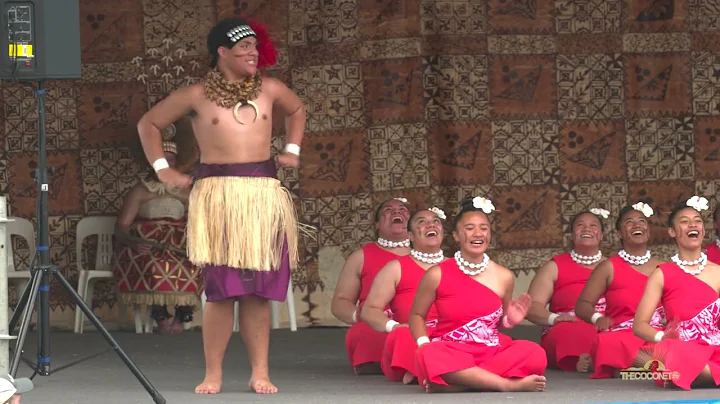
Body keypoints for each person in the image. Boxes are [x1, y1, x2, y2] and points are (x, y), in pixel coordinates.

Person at [137, 16, 307, 395]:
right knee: (221, 290)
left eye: (254, 47)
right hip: (218, 195)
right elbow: (149, 123)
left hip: (262, 194)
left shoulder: (271, 89)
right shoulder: (196, 95)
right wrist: (163, 170)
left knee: (258, 289)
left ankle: (259, 372)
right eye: (243, 47)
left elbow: (297, 111)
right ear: (222, 52)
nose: (252, 53)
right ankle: (213, 373)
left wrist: (291, 150)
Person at [410, 196, 547, 393]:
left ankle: (460, 381)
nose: (477, 233)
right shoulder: (436, 274)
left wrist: (509, 321)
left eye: (483, 228)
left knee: (534, 353)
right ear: (456, 236)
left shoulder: (504, 276)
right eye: (469, 228)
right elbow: (416, 315)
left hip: (490, 351)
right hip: (451, 349)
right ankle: (504, 384)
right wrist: (423, 345)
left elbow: (499, 322)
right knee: (430, 353)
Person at [114, 117, 201, 334]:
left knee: (194, 263)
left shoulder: (186, 191)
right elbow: (121, 227)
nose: (168, 165)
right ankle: (160, 317)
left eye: (171, 161)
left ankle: (181, 318)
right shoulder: (140, 191)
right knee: (154, 265)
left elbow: (200, 223)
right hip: (147, 247)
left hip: (178, 246)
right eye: (162, 161)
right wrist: (135, 243)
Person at [633, 196, 720, 390]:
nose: (692, 225)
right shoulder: (661, 274)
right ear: (672, 232)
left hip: (715, 347)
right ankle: (701, 374)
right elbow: (639, 325)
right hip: (681, 347)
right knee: (667, 351)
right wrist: (662, 337)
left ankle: (695, 375)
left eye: (697, 221)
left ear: (703, 230)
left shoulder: (718, 272)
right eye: (684, 222)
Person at [574, 203, 665, 379]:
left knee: (677, 342)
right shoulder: (608, 267)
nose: (637, 225)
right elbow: (582, 305)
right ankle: (657, 367)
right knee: (607, 342)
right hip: (622, 334)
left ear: (648, 230)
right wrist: (597, 318)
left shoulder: (664, 267)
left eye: (641, 221)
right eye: (629, 222)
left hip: (654, 332)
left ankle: (633, 369)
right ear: (619, 234)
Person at [360, 207, 447, 384]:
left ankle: (435, 371)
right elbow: (369, 310)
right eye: (422, 222)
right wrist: (394, 326)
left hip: (448, 334)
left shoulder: (456, 266)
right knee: (403, 336)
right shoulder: (395, 268)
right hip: (412, 335)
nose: (431, 224)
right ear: (410, 236)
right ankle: (444, 372)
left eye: (436, 221)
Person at [331, 198, 411, 374]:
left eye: (402, 209)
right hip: (377, 324)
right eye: (388, 210)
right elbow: (340, 302)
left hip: (417, 322)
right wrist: (359, 315)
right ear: (377, 224)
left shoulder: (429, 256)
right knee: (365, 332)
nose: (397, 212)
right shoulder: (361, 256)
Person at [526, 209, 608, 373]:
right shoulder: (554, 266)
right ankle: (588, 359)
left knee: (616, 332)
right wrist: (555, 319)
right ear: (572, 235)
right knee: (568, 331)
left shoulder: (613, 266)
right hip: (569, 325)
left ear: (601, 235)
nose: (586, 229)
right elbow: (531, 307)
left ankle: (600, 358)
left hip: (603, 323)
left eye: (593, 225)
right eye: (580, 225)